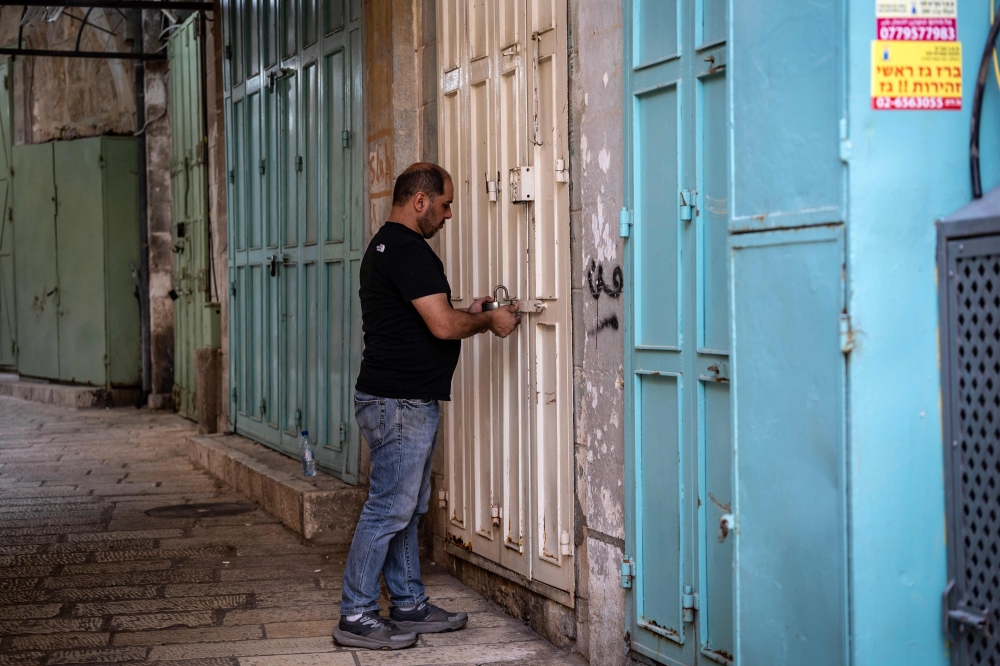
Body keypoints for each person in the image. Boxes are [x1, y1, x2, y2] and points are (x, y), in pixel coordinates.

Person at [333, 162, 521, 650]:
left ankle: (409, 603)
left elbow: (424, 314)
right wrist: (490, 322)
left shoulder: (386, 246)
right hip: (398, 402)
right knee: (390, 507)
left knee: (407, 506)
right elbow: (440, 325)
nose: (449, 214)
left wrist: (469, 311)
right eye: (444, 204)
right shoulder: (407, 250)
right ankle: (355, 612)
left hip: (398, 398)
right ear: (420, 201)